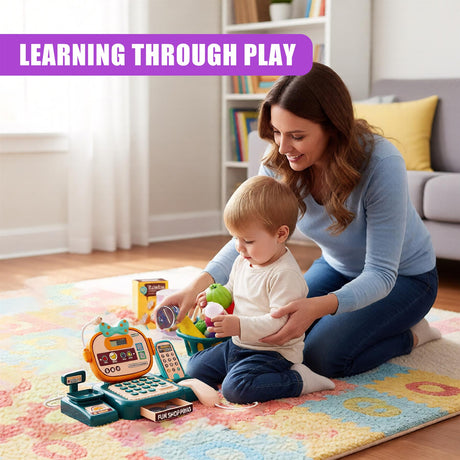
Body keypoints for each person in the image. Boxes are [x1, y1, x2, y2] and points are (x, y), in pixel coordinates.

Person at [155, 62, 440, 380]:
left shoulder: (381, 163)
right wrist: (196, 286)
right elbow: (252, 235)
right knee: (276, 332)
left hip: (405, 279)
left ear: (332, 127)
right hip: (337, 268)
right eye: (276, 132)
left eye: (297, 135)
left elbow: (381, 274)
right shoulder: (279, 161)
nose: (282, 146)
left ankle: (412, 335)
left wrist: (318, 307)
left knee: (323, 357)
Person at [185, 175, 335, 404]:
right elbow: (233, 288)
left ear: (280, 234)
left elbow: (279, 324)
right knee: (194, 366)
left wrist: (239, 325)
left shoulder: (284, 275)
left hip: (272, 353)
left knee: (235, 390)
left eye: (248, 240)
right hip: (238, 344)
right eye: (235, 237)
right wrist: (216, 296)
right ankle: (239, 371)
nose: (239, 247)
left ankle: (299, 379)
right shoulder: (243, 260)